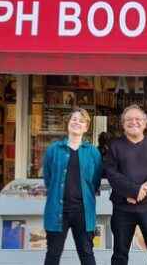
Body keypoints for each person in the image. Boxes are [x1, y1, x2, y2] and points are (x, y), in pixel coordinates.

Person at [104, 104, 147, 265]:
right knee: (119, 254)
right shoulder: (115, 145)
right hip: (123, 208)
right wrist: (132, 191)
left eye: (138, 119)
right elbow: (111, 174)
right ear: (122, 123)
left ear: (145, 123)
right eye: (129, 119)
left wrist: (143, 189)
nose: (134, 122)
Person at [42, 108, 102, 265]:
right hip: (57, 210)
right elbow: (48, 178)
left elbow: (95, 181)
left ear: (86, 127)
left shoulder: (93, 152)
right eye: (74, 119)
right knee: (53, 254)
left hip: (83, 211)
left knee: (87, 253)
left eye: (81, 121)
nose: (77, 122)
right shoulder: (53, 150)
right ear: (68, 123)